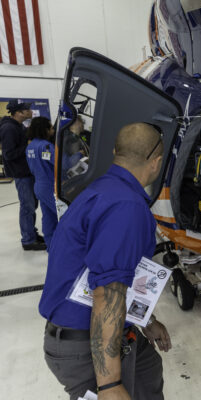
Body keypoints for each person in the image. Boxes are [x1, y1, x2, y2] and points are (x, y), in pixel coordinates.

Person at [39, 123, 171, 400]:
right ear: (156, 163)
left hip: (94, 333)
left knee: (148, 372)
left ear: (115, 152)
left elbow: (120, 275)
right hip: (84, 346)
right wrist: (109, 384)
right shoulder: (126, 206)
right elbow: (108, 293)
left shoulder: (105, 189)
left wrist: (146, 320)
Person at [0, 99, 45, 250]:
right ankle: (28, 240)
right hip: (21, 174)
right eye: (27, 109)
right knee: (27, 207)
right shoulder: (9, 129)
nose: (31, 111)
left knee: (32, 205)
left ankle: (31, 233)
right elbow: (9, 154)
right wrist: (29, 147)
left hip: (27, 171)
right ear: (19, 113)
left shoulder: (19, 126)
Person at [25, 117, 58, 249]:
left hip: (38, 185)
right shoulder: (46, 147)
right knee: (65, 216)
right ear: (45, 130)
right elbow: (59, 165)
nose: (53, 130)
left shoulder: (30, 146)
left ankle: (51, 246)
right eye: (51, 127)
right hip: (50, 186)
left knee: (48, 217)